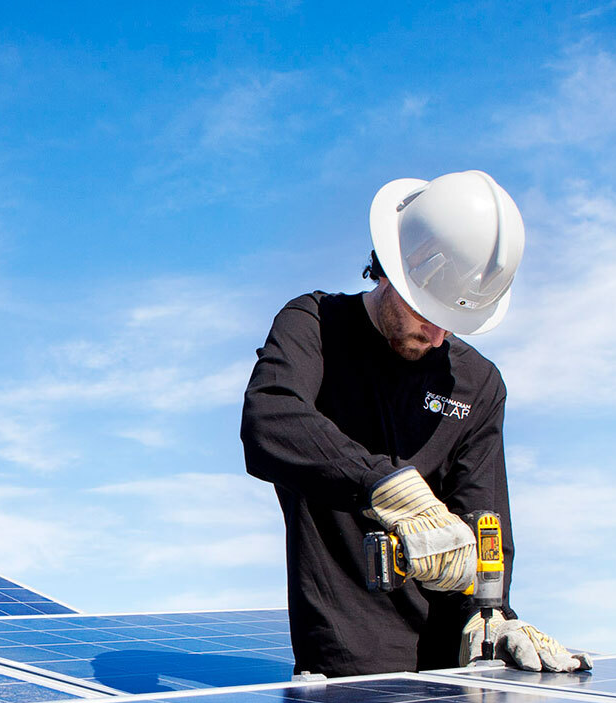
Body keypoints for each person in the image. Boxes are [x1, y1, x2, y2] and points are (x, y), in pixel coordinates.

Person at [240, 169, 592, 676]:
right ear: (388, 268)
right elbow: (269, 420)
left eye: (453, 320)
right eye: (426, 311)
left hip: (453, 674)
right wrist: (390, 491)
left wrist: (491, 616)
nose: (437, 335)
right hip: (342, 671)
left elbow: (484, 522)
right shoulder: (315, 326)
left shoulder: (478, 384)